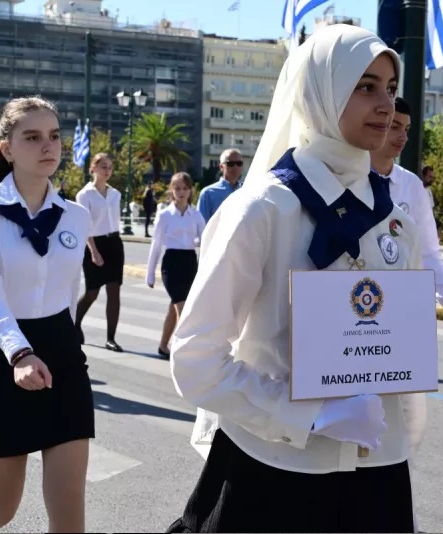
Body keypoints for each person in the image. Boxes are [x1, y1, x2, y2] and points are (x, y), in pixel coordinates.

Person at [167, 25, 422, 533]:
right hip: (274, 472)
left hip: (377, 471)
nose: (385, 105)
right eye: (364, 85)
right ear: (319, 90)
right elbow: (195, 360)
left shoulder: (397, 217)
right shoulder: (262, 210)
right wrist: (304, 417)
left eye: (390, 89)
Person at [0, 96, 94, 533]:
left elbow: (69, 294)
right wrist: (18, 353)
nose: (47, 146)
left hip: (62, 360)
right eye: (32, 137)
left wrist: (66, 344)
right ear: (8, 148)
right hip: (2, 357)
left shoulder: (76, 215)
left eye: (54, 136)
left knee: (69, 509)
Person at [370, 96, 443, 345]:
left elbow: (428, 254)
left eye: (406, 129)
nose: (403, 137)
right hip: (355, 303)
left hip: (398, 308)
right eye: (394, 126)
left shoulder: (412, 186)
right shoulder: (344, 179)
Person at [145, 172, 205, 359]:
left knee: (175, 307)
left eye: (185, 188)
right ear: (171, 190)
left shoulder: (195, 214)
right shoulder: (164, 215)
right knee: (183, 309)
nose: (181, 192)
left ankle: (164, 346)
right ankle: (182, 353)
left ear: (190, 191)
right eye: (177, 188)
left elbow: (205, 240)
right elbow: (155, 245)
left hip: (189, 263)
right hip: (171, 263)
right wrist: (150, 274)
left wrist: (197, 245)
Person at [74, 153, 125, 352]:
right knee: (92, 292)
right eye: (103, 166)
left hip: (114, 243)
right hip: (94, 244)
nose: (107, 170)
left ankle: (111, 338)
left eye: (110, 167)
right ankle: (75, 324)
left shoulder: (116, 194)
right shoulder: (84, 195)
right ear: (93, 168)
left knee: (114, 291)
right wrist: (94, 251)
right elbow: (85, 226)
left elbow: (114, 221)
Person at [196, 148, 243, 222]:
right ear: (221, 167)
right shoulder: (208, 193)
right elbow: (200, 224)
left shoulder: (246, 191)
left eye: (239, 163)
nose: (235, 167)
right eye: (230, 164)